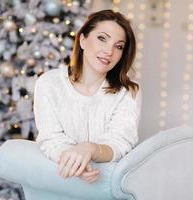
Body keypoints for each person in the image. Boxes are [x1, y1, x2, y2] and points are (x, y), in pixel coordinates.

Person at [33, 9, 141, 183]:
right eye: (102, 38)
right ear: (82, 40)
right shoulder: (49, 83)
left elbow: (121, 143)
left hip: (107, 185)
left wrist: (90, 149)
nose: (109, 51)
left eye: (118, 46)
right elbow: (51, 139)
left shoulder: (128, 91)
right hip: (60, 180)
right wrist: (77, 163)